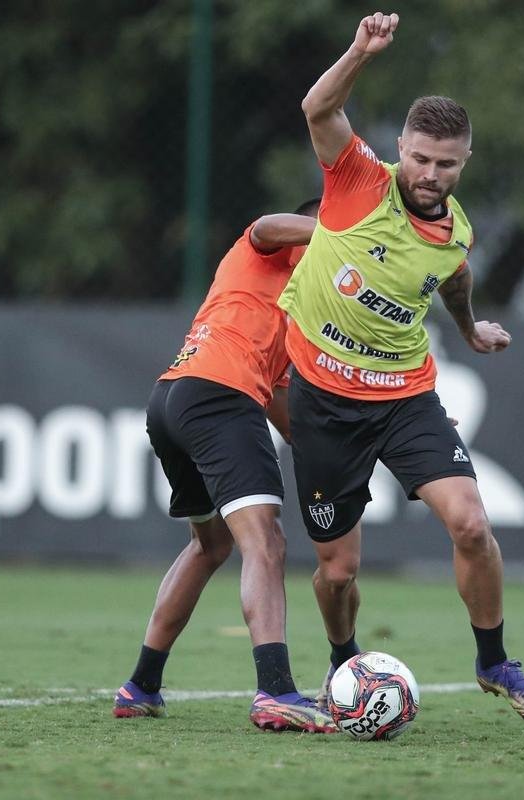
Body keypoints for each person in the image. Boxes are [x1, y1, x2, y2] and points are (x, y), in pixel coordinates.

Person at [277, 11, 524, 720]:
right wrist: (360, 52)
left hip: (405, 396)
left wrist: (468, 328)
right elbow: (317, 107)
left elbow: (452, 273)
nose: (431, 175)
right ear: (400, 147)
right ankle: (346, 669)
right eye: (421, 159)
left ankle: (495, 663)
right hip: (323, 401)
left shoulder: (453, 226)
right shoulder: (356, 179)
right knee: (336, 571)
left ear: (464, 161)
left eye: (447, 164)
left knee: (470, 526)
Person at [111, 200, 336, 733]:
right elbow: (265, 224)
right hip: (216, 396)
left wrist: (336, 456)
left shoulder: (299, 309)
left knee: (210, 545)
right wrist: (340, 232)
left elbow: (281, 403)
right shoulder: (266, 250)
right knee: (267, 543)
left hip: (173, 398)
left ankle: (141, 685)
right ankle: (276, 691)